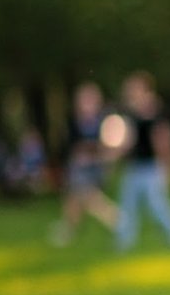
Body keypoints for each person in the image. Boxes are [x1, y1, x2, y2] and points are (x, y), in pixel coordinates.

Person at [114, 72, 170, 251]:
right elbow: (128, 142)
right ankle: (124, 241)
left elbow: (164, 142)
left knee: (157, 204)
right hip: (134, 167)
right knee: (127, 204)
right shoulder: (131, 114)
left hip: (151, 167)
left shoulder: (156, 113)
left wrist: (169, 166)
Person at [50, 81, 119, 247]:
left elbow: (109, 146)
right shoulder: (74, 121)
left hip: (94, 167)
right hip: (78, 167)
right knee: (73, 199)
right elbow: (72, 146)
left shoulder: (104, 120)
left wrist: (99, 156)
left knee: (88, 198)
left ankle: (116, 219)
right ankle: (68, 230)